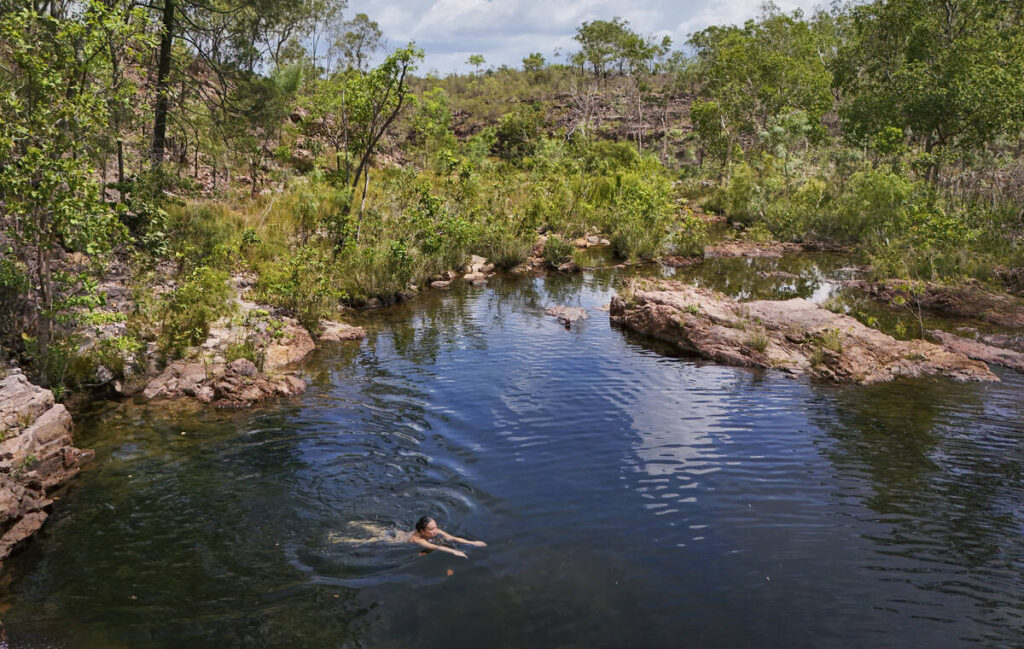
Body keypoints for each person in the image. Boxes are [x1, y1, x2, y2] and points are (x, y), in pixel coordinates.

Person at [408, 516, 486, 558]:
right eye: (431, 529)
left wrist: (473, 543)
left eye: (436, 527)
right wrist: (454, 551)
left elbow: (452, 538)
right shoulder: (417, 539)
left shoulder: (435, 531)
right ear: (422, 531)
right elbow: (435, 547)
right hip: (396, 539)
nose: (435, 531)